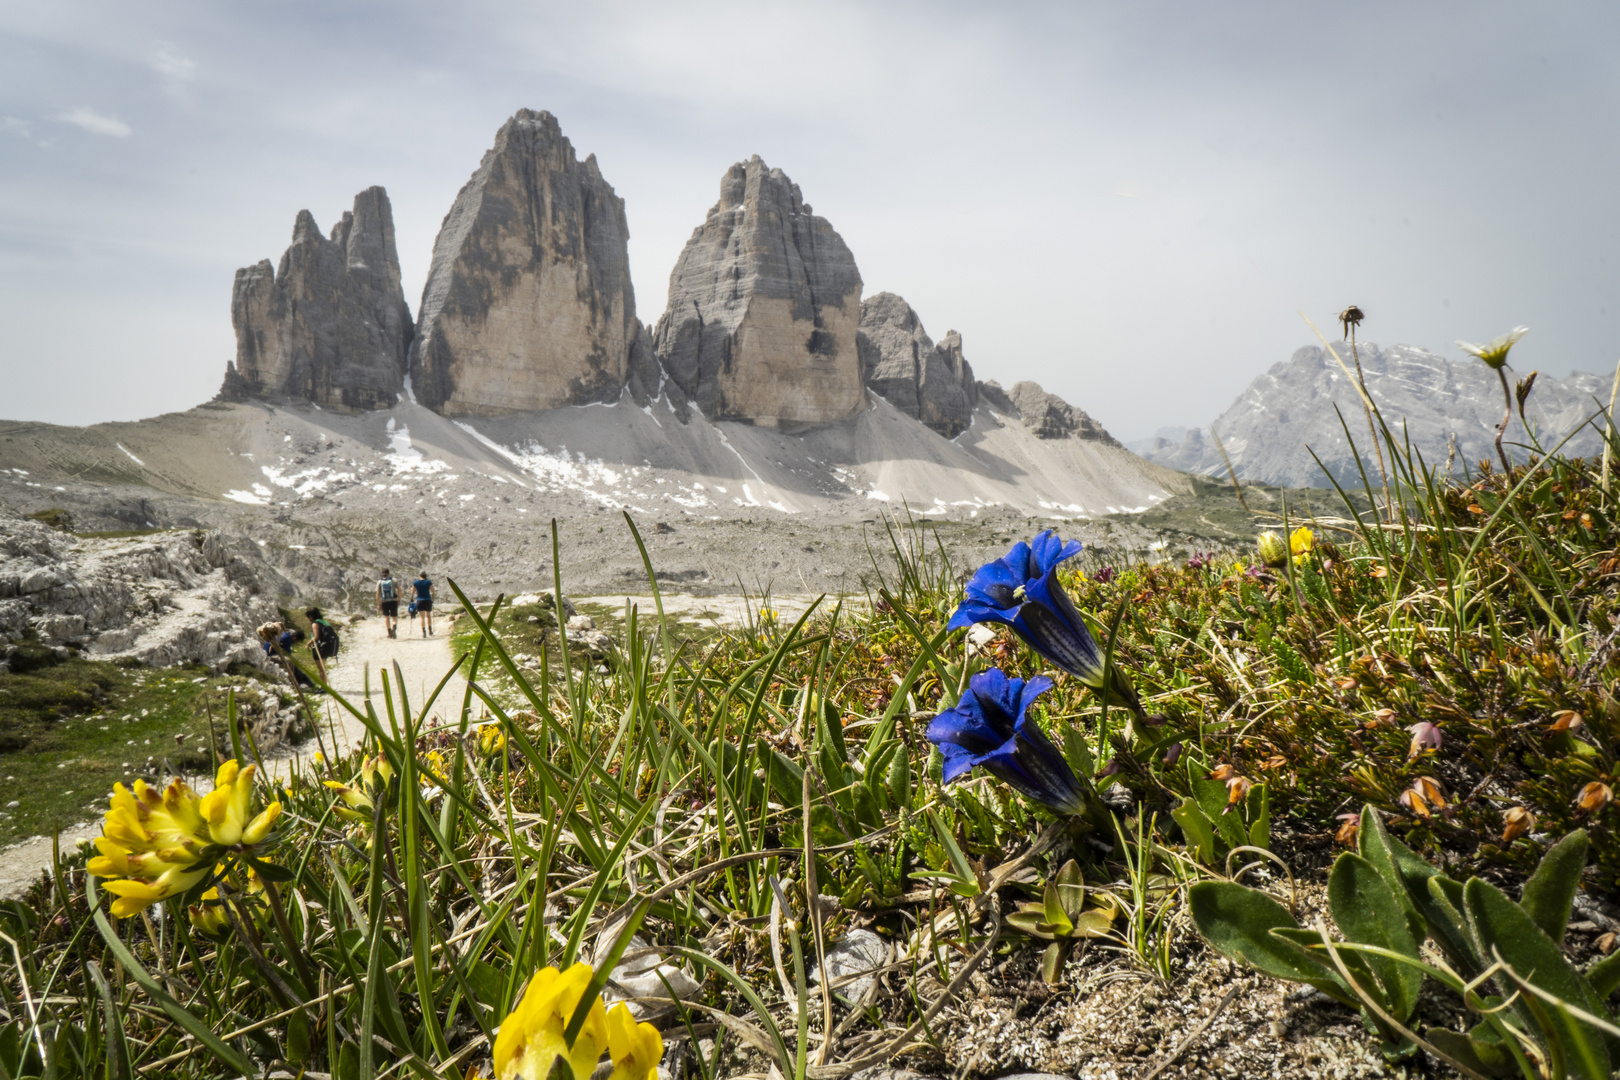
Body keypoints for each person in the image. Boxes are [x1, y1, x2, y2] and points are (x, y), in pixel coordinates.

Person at [306, 607, 339, 682]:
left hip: (319, 647)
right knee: (323, 667)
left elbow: (316, 637)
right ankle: (325, 685)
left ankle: (323, 687)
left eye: (308, 617)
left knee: (321, 669)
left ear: (311, 616)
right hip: (326, 646)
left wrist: (308, 644)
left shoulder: (315, 623)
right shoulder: (324, 622)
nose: (309, 619)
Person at [377, 568, 401, 638]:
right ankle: (394, 627)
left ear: (382, 574)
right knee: (394, 617)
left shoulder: (380, 582)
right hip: (393, 601)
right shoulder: (394, 580)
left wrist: (378, 604)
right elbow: (399, 590)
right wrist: (399, 599)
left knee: (386, 617)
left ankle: (389, 632)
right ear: (389, 573)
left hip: (384, 602)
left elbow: (378, 594)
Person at [412, 570, 435, 637]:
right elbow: (433, 591)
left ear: (420, 575)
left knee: (422, 617)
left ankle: (423, 632)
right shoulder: (428, 582)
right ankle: (430, 630)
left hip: (419, 600)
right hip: (427, 600)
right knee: (428, 616)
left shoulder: (415, 582)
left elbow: (412, 592)